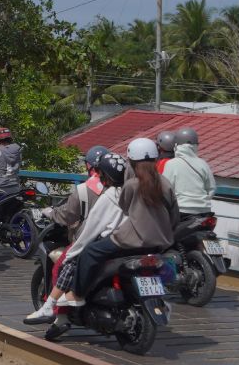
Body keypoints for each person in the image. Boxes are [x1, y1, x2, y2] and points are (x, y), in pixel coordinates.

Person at [64, 138, 178, 312]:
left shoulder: (131, 185)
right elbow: (174, 215)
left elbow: (125, 208)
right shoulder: (166, 184)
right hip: (160, 242)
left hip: (130, 242)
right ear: (156, 159)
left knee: (90, 252)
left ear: (131, 162)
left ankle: (76, 295)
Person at [25, 151, 128, 325]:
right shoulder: (134, 190)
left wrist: (75, 248)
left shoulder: (89, 190)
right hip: (134, 243)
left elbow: (85, 225)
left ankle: (54, 310)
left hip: (100, 240)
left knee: (64, 265)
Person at [40, 145, 109, 242]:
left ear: (88, 166)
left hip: (87, 240)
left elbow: (67, 215)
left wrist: (51, 213)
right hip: (112, 238)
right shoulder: (119, 186)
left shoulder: (84, 189)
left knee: (62, 256)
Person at [161, 127, 215, 216]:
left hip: (181, 210)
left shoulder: (171, 164)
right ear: (196, 146)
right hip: (204, 210)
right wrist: (201, 201)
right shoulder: (203, 163)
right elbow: (211, 188)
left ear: (176, 145)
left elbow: (165, 189)